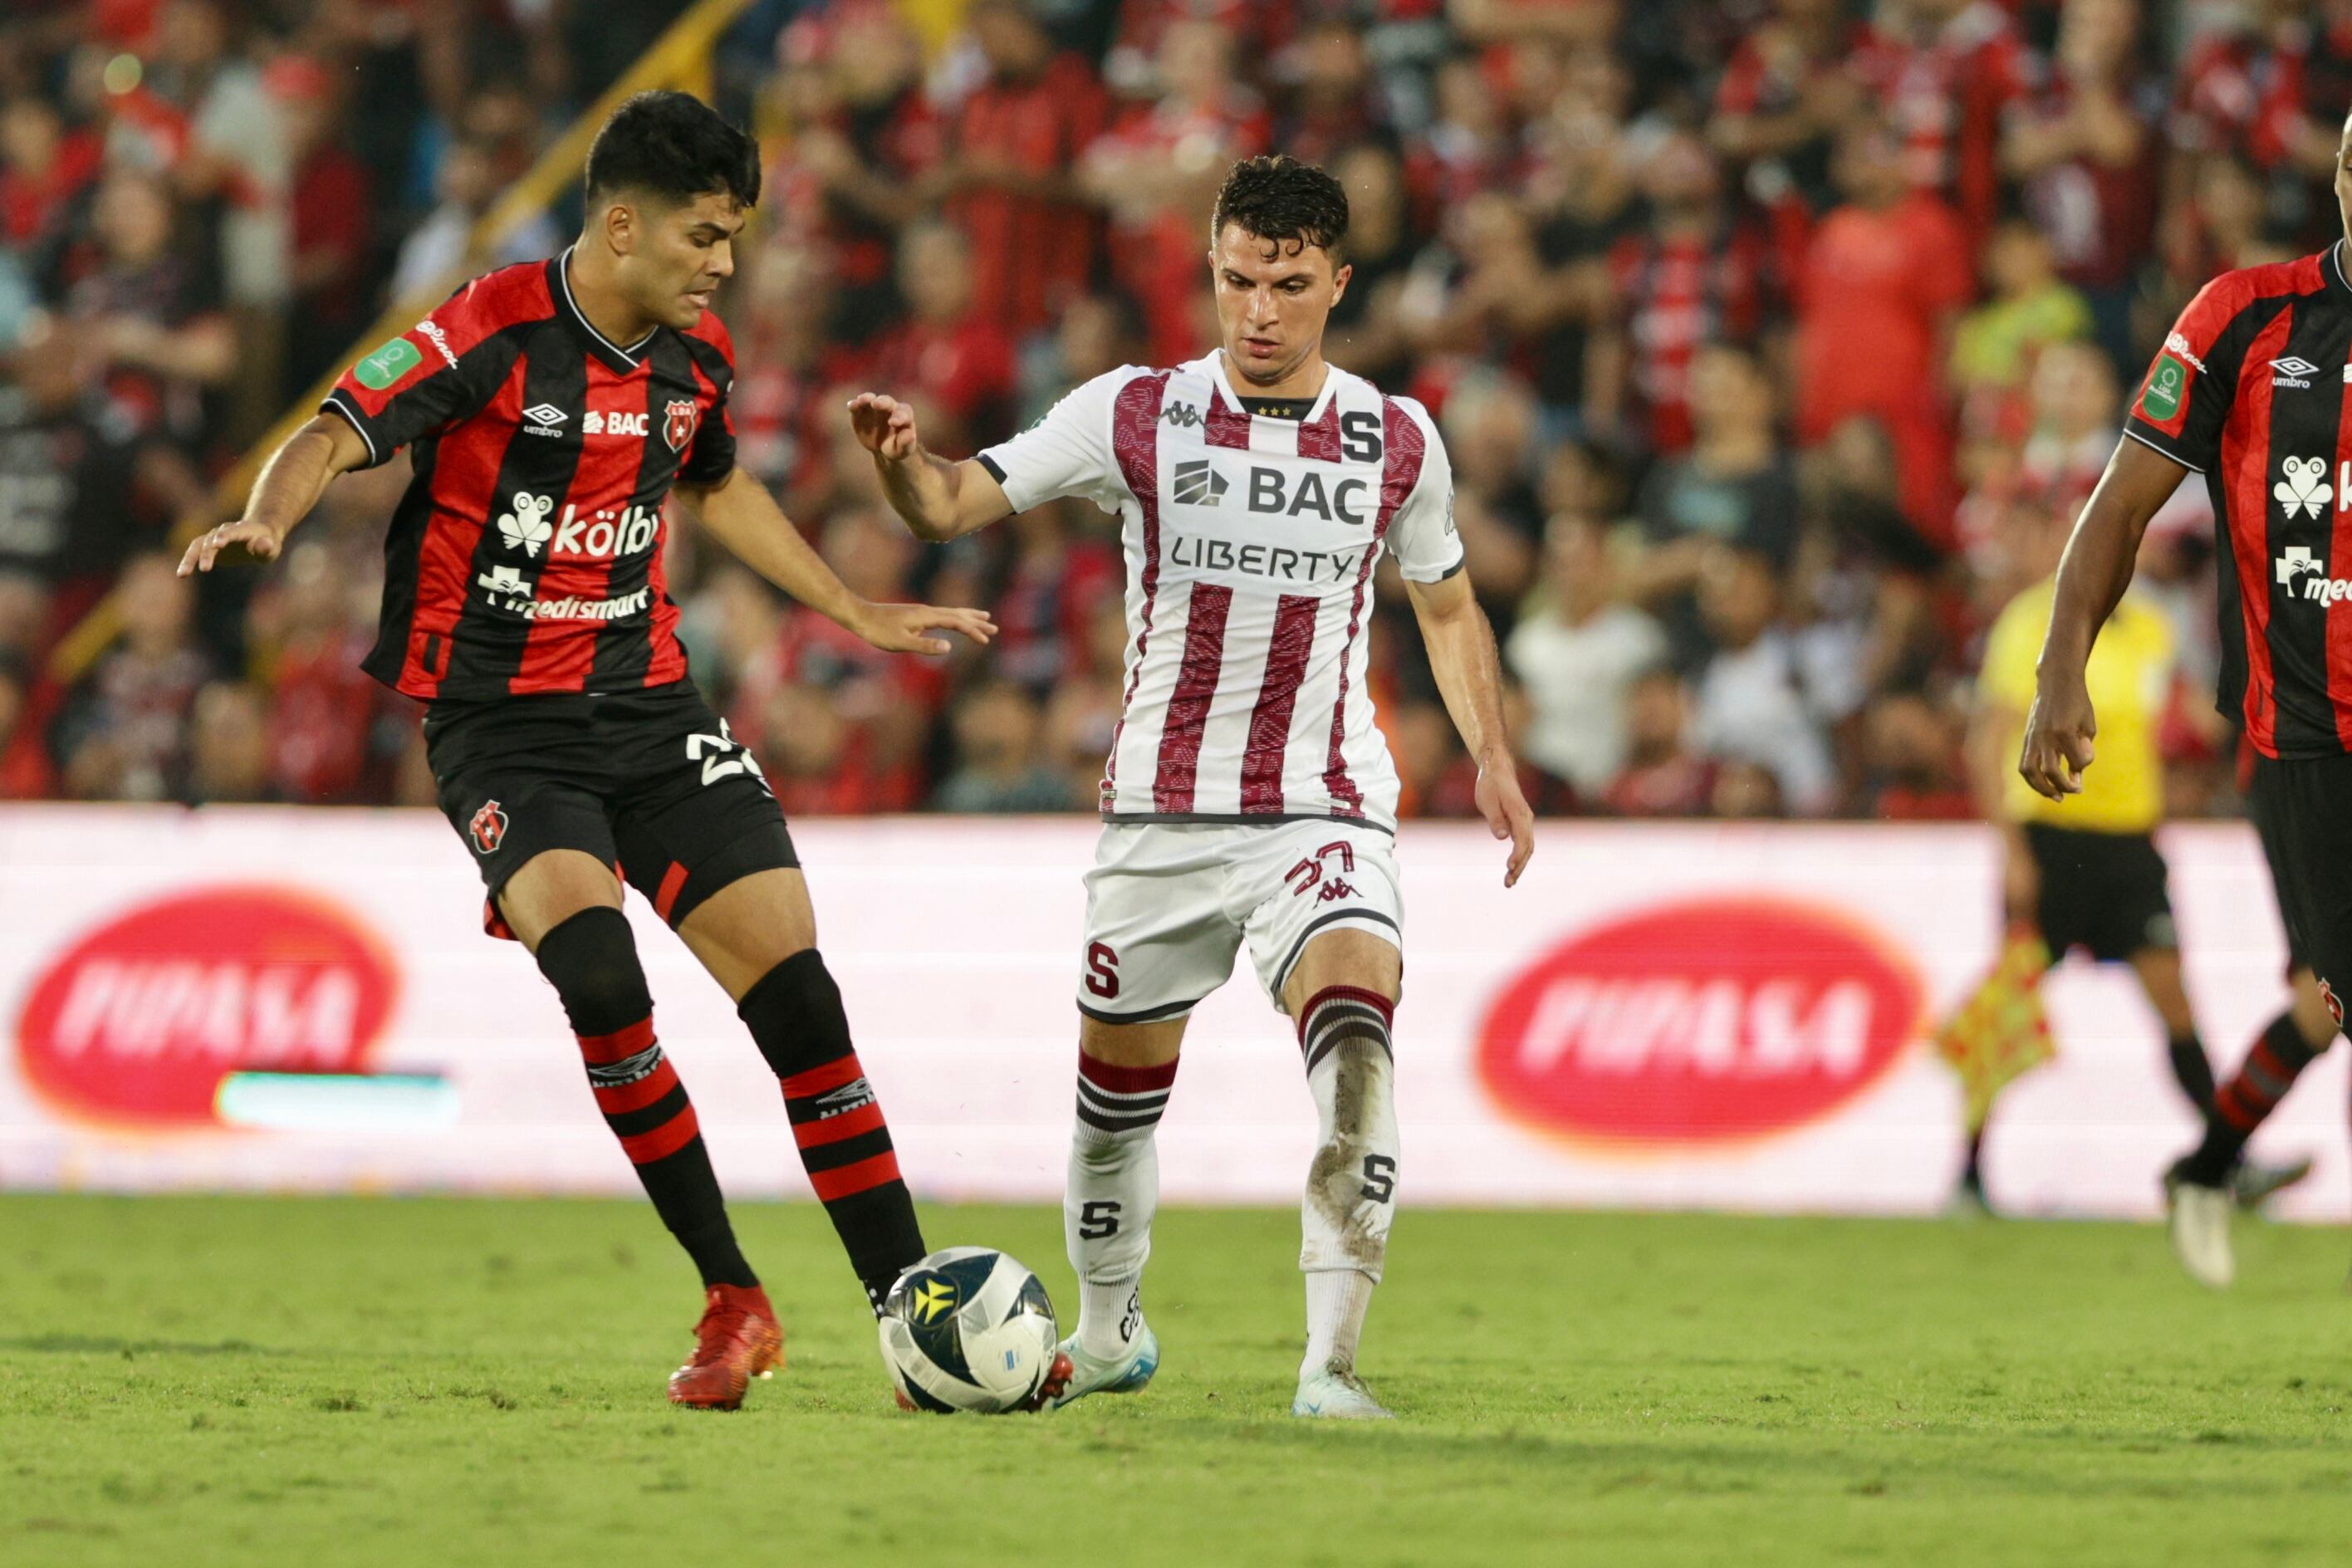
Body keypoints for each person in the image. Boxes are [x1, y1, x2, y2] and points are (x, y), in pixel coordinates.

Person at [177, 92, 997, 1409]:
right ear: (623, 226)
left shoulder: (697, 356)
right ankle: (733, 1296)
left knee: (802, 1002)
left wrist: (851, 606)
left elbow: (715, 483)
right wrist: (270, 520)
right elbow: (333, 426)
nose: (725, 263)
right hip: (503, 731)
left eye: (734, 237)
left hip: (653, 711)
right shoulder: (487, 328)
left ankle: (917, 1316)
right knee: (605, 987)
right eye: (705, 236)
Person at [852, 154, 1535, 1419]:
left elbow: (1446, 605)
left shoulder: (1395, 437)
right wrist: (902, 462)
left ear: (1339, 283)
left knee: (1357, 1048)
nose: (1259, 313)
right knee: (1113, 1112)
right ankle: (1109, 1331)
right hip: (1159, 818)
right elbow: (948, 505)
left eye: (1289, 285)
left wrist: (1491, 752)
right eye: (1236, 281)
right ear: (1211, 271)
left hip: (1323, 808)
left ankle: (1331, 1367)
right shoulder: (1135, 412)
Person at [2019, 110, 2352, 1290]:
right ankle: (2208, 1164)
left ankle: (2207, 1165)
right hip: (2304, 741)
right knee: (2333, 1000)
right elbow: (2121, 502)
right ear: (2341, 175)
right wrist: (2060, 666)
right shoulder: (2246, 318)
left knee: (2324, 1004)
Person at [1969, 505, 2310, 1213]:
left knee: (2174, 1002)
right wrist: (2012, 852)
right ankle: (1966, 1171)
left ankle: (2227, 1160)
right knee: (2012, 1008)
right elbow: (1986, 744)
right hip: (2052, 837)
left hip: (2130, 846)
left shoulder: (2154, 628)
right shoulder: (2032, 622)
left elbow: (2180, 723)